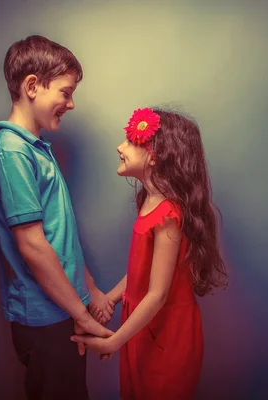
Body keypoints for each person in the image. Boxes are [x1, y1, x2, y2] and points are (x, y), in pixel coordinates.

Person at [0, 35, 114, 400]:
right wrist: (83, 316)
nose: (71, 104)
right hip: (46, 318)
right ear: (32, 86)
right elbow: (34, 246)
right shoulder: (12, 153)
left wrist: (90, 291)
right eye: (66, 92)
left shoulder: (35, 148)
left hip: (63, 310)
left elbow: (62, 237)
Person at [72, 107, 228, 399]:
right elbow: (143, 269)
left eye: (131, 142)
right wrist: (110, 298)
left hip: (166, 332)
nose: (120, 147)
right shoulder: (148, 201)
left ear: (155, 155)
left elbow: (156, 295)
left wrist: (113, 342)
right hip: (143, 326)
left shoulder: (168, 214)